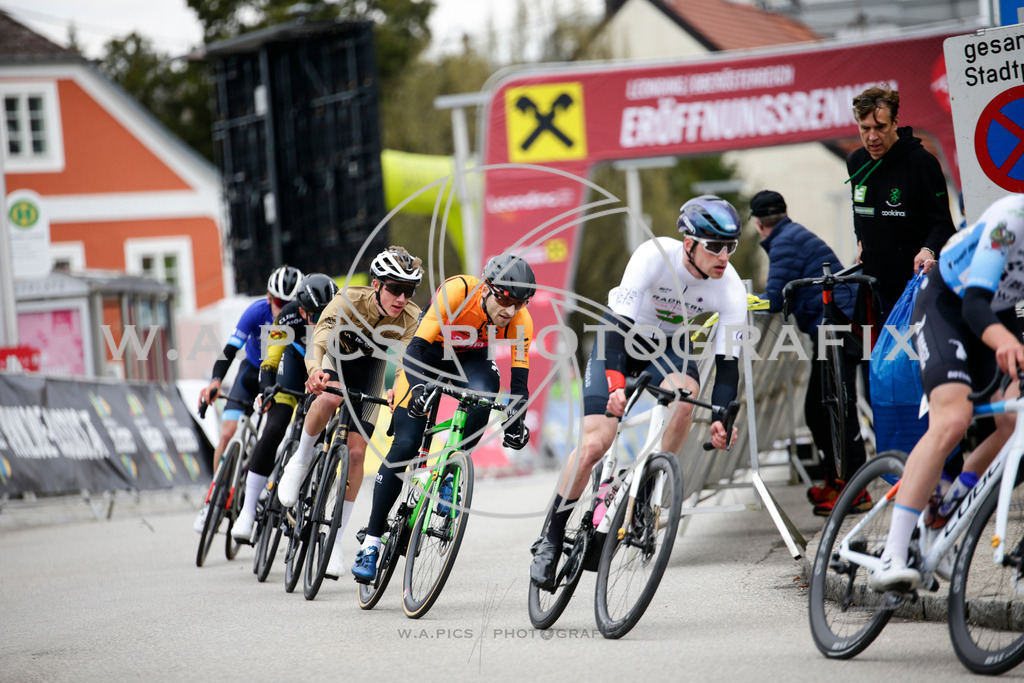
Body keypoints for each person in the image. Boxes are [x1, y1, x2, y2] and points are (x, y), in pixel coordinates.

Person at [530, 195, 744, 589]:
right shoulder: (652, 256)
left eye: (731, 246)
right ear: (689, 244)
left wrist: (719, 416)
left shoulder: (729, 289)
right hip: (621, 340)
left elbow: (728, 366)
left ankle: (646, 490)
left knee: (684, 402)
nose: (724, 256)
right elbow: (614, 329)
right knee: (596, 444)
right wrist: (614, 383)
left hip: (668, 349)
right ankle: (551, 537)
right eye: (714, 246)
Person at [869, 193, 1024, 592]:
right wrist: (1006, 343)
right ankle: (893, 552)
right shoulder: (1011, 218)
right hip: (948, 304)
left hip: (998, 312)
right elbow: (974, 305)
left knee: (1014, 421)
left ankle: (948, 507)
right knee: (953, 420)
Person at [350, 254, 535, 582]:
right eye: (505, 298)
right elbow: (415, 350)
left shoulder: (521, 322)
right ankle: (372, 542)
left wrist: (516, 421)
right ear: (488, 289)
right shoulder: (459, 291)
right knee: (405, 444)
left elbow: (519, 387)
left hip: (469, 363)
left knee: (486, 391)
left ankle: (451, 471)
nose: (510, 310)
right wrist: (419, 387)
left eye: (519, 303)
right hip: (424, 357)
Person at [274, 247, 424, 579]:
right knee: (328, 399)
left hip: (371, 367)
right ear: (376, 285)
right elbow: (320, 337)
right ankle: (300, 460)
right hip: (335, 355)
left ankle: (336, 542)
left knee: (357, 452)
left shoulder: (411, 316)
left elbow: (410, 360)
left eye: (408, 290)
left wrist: (398, 386)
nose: (401, 297)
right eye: (394, 288)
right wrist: (314, 370)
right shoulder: (349, 299)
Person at [751, 190, 868, 515]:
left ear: (759, 223)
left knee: (834, 407)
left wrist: (739, 301)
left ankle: (854, 489)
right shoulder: (792, 234)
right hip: (835, 324)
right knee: (822, 408)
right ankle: (838, 480)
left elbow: (773, 299)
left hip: (836, 326)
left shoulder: (784, 242)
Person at [193, 264, 303, 532]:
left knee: (273, 431)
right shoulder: (256, 312)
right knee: (228, 433)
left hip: (282, 373)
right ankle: (212, 499)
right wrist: (215, 382)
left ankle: (259, 484)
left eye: (290, 302)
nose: (283, 307)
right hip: (252, 372)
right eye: (279, 301)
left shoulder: (301, 317)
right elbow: (230, 350)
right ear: (268, 298)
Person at [230, 272, 339, 541]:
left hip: (324, 365)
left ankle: (308, 494)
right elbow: (271, 357)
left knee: (319, 434)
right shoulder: (288, 316)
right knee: (276, 425)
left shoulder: (340, 316)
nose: (321, 320)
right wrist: (267, 386)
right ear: (302, 310)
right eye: (315, 315)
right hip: (293, 361)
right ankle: (246, 512)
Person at [846, 83, 956, 319]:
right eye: (865, 128)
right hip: (873, 287)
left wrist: (928, 250)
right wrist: (861, 240)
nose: (872, 136)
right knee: (867, 355)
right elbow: (859, 211)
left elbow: (943, 224)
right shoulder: (855, 161)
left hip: (914, 287)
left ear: (895, 122)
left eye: (880, 127)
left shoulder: (921, 162)